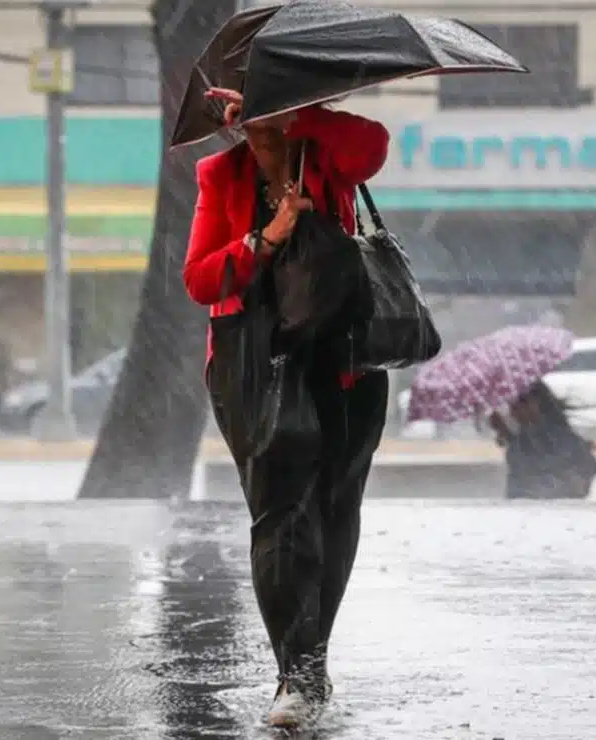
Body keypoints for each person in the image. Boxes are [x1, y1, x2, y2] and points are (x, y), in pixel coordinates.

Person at [182, 86, 391, 729]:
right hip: (255, 364)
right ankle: (295, 676)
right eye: (251, 122)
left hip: (345, 360)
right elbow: (198, 278)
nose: (260, 134)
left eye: (269, 116)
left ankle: (313, 660)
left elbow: (375, 145)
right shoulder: (221, 175)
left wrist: (299, 113)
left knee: (335, 509)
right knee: (280, 517)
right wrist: (265, 239)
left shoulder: (327, 155)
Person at [489, 382, 596, 499]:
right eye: (512, 405)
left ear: (538, 403)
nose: (515, 409)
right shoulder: (521, 440)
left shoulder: (558, 437)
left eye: (522, 402)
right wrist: (506, 433)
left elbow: (585, 474)